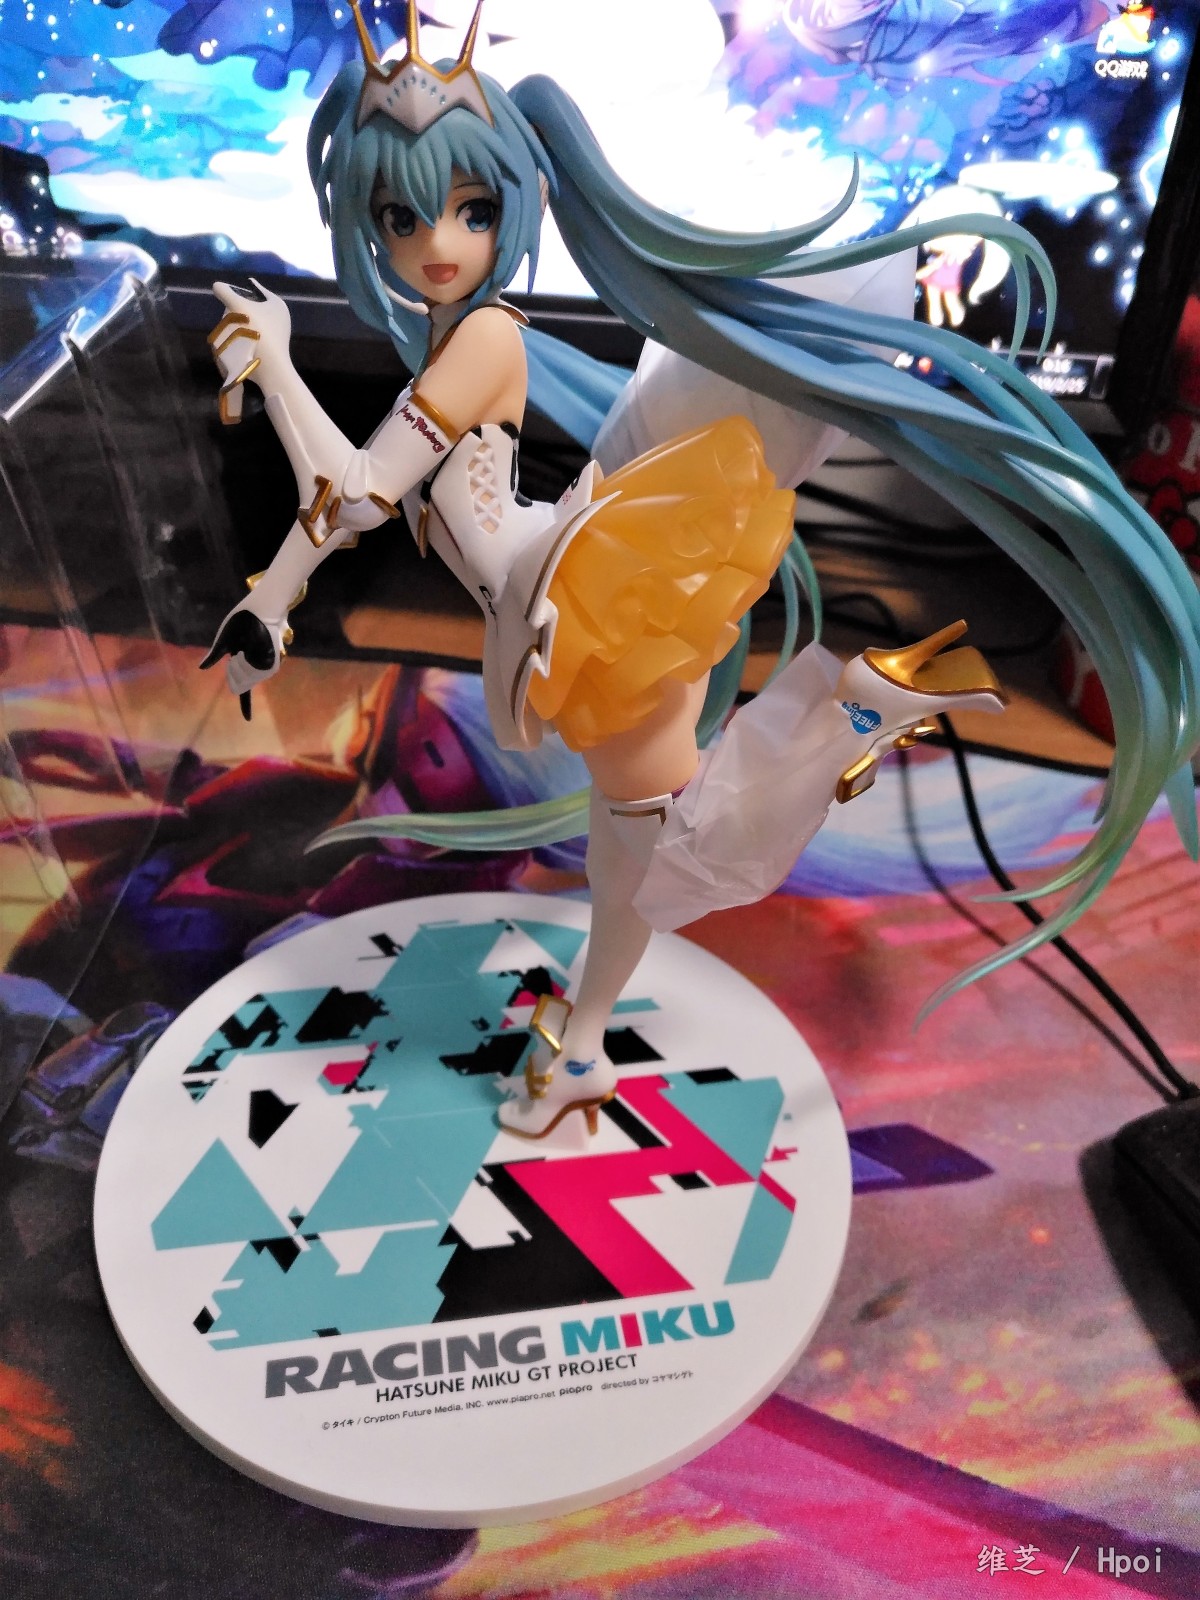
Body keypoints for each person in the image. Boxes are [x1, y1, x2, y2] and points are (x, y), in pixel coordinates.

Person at [202, 3, 1200, 1138]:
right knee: (629, 859)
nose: (440, 241)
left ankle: (857, 714)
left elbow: (358, 493)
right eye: (402, 215)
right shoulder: (461, 336)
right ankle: (583, 1047)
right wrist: (273, 557)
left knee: (676, 855)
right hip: (565, 586)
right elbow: (352, 491)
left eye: (471, 211)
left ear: (512, 201)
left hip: (587, 609)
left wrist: (278, 417)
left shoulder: (479, 342)